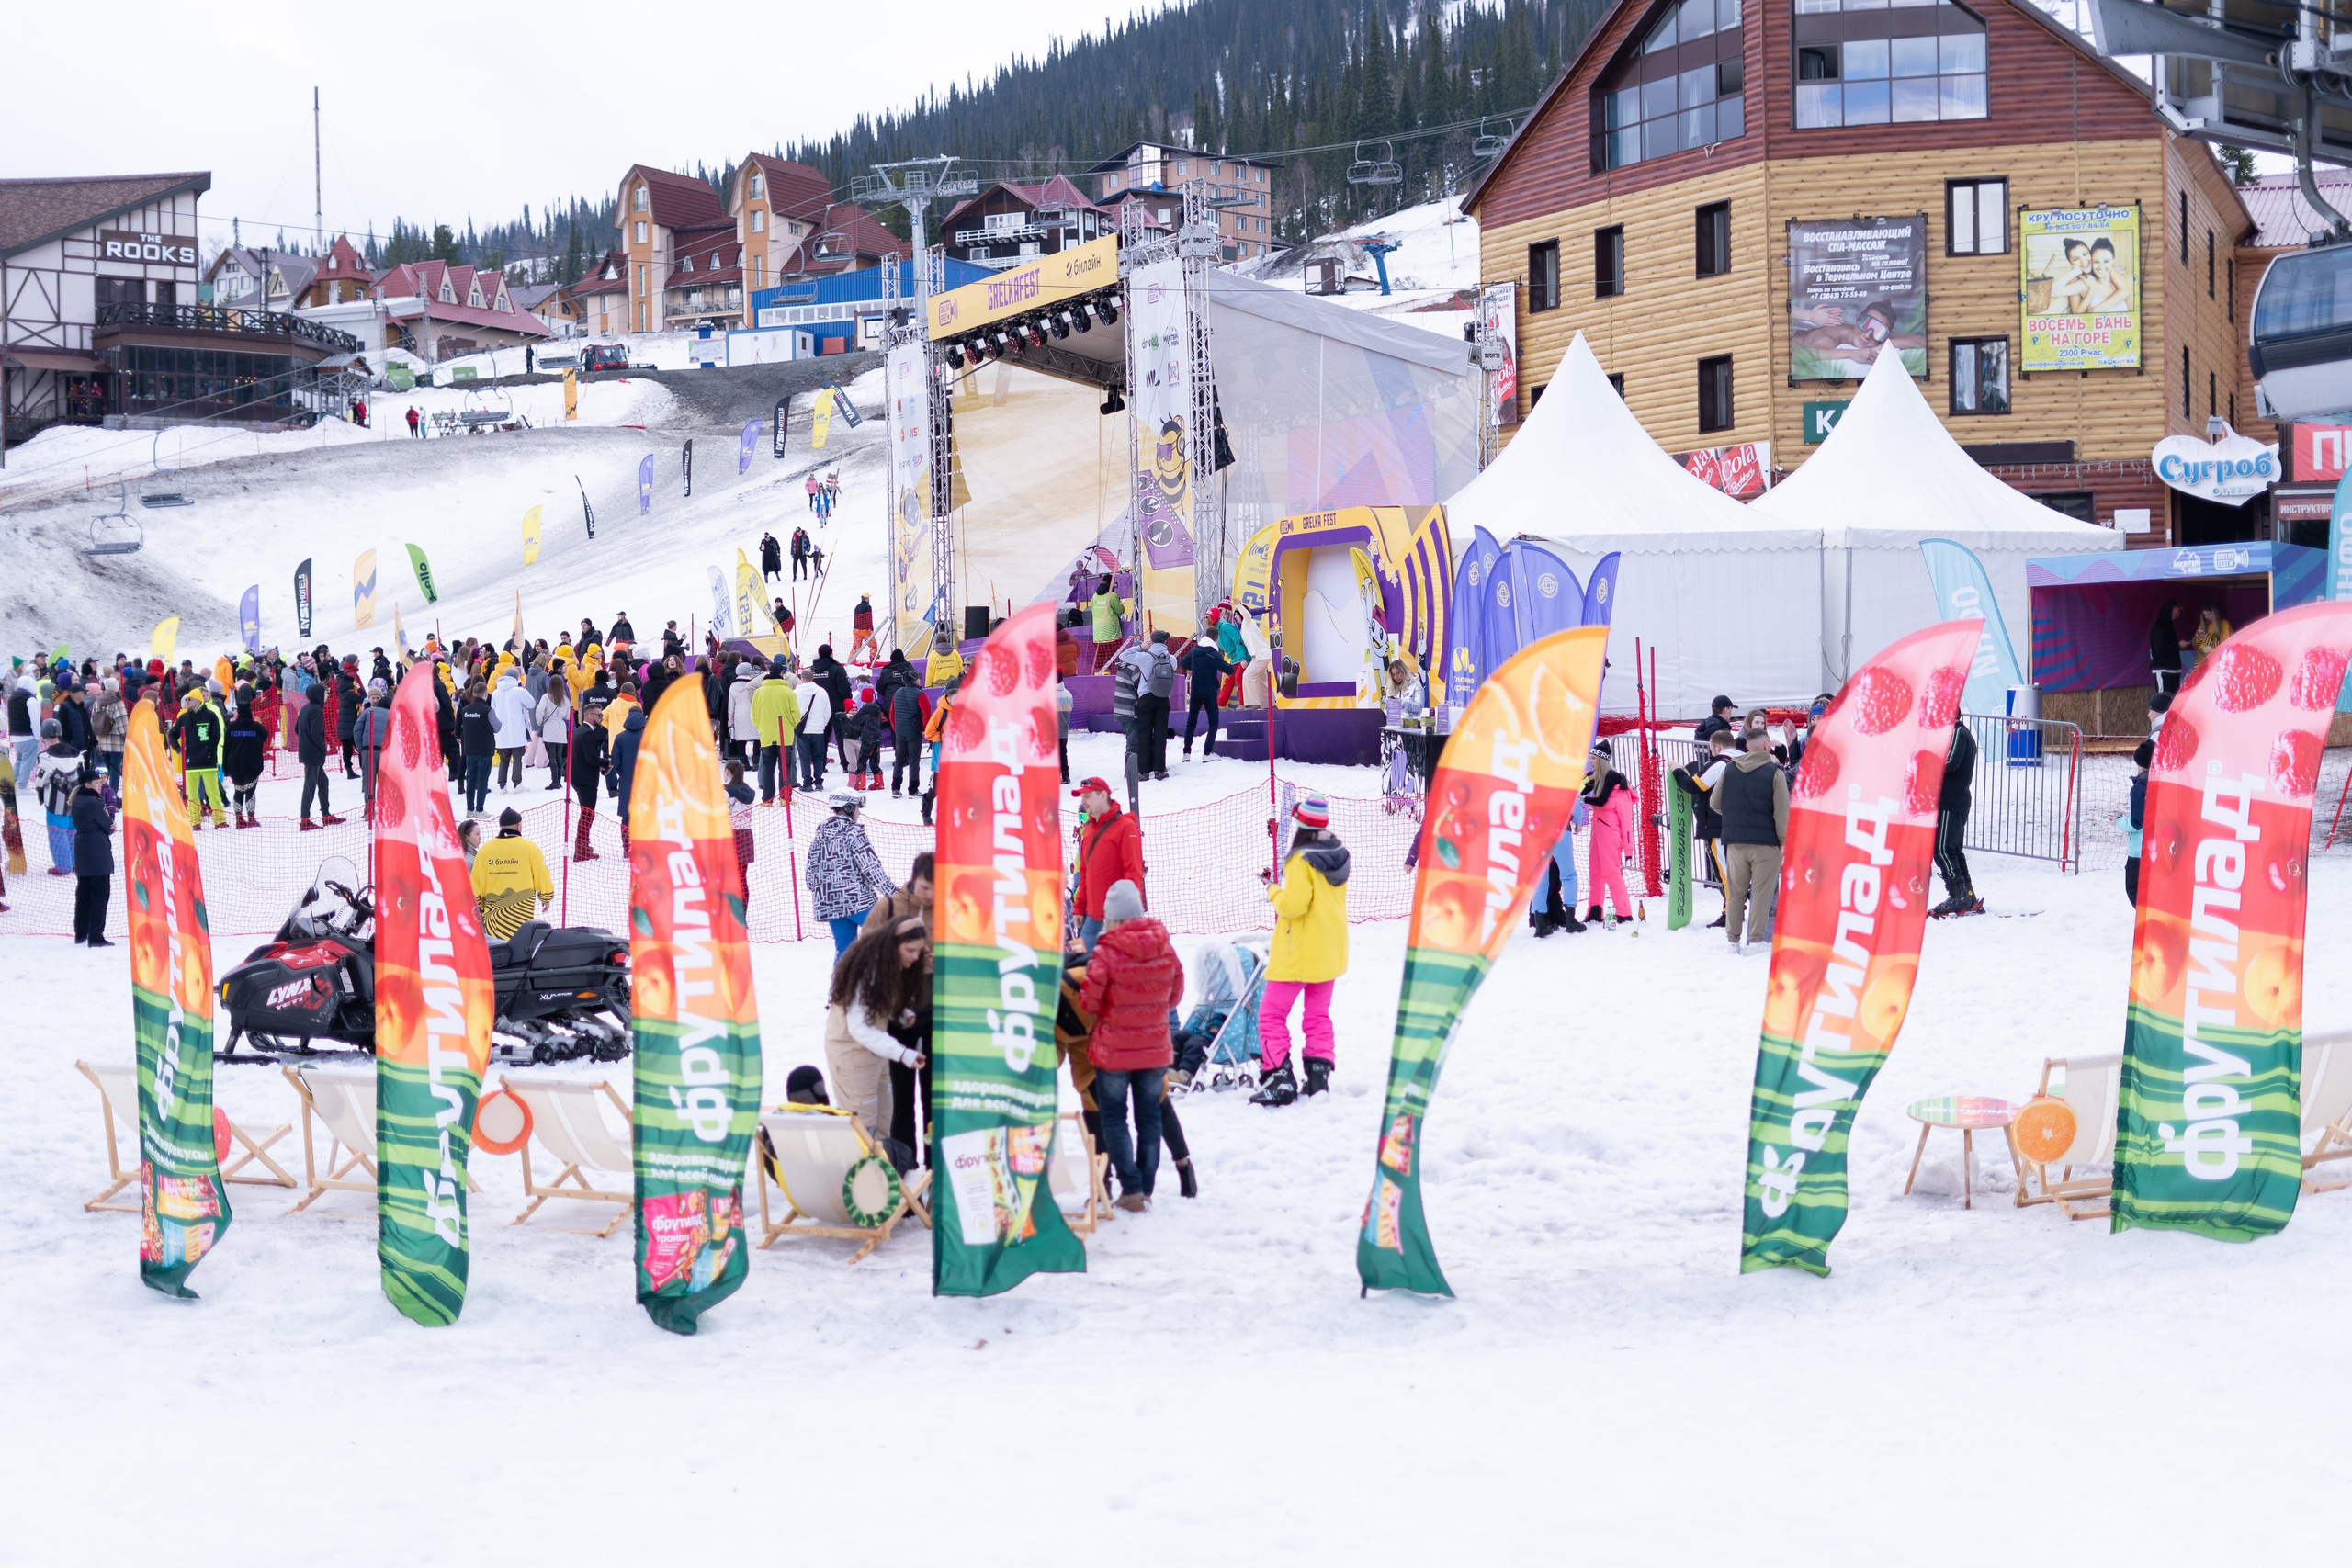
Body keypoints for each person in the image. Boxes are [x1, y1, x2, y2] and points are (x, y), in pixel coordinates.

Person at [1077, 878, 1185, 1210]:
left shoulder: (1105, 951)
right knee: (1150, 1119)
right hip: (1155, 1050)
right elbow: (1175, 995)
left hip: (1114, 1054)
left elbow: (1089, 1002)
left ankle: (1131, 1189)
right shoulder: (1164, 946)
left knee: (1114, 1119)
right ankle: (1145, 1189)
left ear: (1111, 917)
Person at [1251, 795, 1350, 1108]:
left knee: (1271, 1014)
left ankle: (1278, 1077)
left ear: (1301, 825)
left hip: (1299, 953)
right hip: (1329, 950)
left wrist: (1272, 890)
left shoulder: (1301, 859)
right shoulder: (1338, 853)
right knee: (1318, 1016)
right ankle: (1318, 1079)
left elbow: (1293, 906)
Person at [822, 916, 929, 1166]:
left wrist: (900, 1012)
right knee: (863, 1129)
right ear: (894, 943)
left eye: (919, 950)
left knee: (883, 1124)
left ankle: (883, 1180)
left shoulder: (888, 965)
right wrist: (903, 1053)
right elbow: (860, 1027)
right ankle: (862, 1184)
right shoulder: (866, 970)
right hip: (851, 1054)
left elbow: (878, 1000)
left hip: (876, 1053)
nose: (915, 957)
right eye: (910, 950)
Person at [1709, 728, 1789, 953]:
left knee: (1736, 893)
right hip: (1766, 844)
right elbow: (1782, 812)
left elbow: (1714, 803)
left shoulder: (1729, 769)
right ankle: (1755, 941)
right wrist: (1784, 841)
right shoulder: (1775, 773)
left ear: (1746, 747)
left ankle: (1732, 941)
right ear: (1766, 746)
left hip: (1735, 843)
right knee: (1761, 894)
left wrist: (1736, 818)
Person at [807, 791, 894, 954]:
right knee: (888, 938)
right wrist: (895, 893)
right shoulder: (853, 832)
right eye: (857, 808)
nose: (859, 812)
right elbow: (871, 869)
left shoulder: (820, 835)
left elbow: (810, 877)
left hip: (830, 904)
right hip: (856, 901)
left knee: (846, 951)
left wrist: (828, 889)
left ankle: (845, 973)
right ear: (848, 807)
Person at [1069, 776, 1145, 953]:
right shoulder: (1089, 830)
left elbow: (1133, 874)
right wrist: (1079, 908)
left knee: (1116, 967)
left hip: (1117, 920)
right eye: (1082, 797)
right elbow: (1084, 874)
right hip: (1092, 918)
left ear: (1103, 795)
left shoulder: (1126, 827)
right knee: (1077, 962)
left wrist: (1127, 917)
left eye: (1087, 796)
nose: (1083, 802)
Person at [470, 807, 553, 940]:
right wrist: (546, 897)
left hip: (492, 920)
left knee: (497, 949)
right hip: (522, 918)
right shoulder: (529, 847)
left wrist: (479, 906)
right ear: (518, 826)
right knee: (520, 946)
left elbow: (475, 882)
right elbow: (541, 874)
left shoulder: (485, 850)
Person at [1931, 718, 1982, 917]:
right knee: (1953, 850)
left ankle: (1958, 895)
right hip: (1954, 800)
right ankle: (1967, 894)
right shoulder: (1958, 733)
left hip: (1951, 801)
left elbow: (1951, 762)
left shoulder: (1958, 732)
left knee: (1942, 849)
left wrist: (1926, 765)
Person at [1529, 797, 1589, 937]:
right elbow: (1573, 803)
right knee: (1568, 876)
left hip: (1538, 831)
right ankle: (1570, 920)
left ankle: (1540, 925)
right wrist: (1579, 819)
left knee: (1540, 878)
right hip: (1559, 828)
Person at [170, 691, 228, 830]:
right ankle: (195, 822)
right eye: (186, 699)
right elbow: (172, 734)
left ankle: (219, 821)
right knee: (192, 795)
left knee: (213, 793)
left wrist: (209, 750)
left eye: (189, 699)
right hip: (191, 762)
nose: (187, 702)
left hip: (208, 761)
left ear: (197, 700)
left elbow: (216, 735)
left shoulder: (210, 715)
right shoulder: (184, 717)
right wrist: (178, 749)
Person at [71, 771, 115, 945]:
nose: (100, 785)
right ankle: (96, 935)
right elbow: (109, 826)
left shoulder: (78, 800)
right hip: (97, 850)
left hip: (83, 849)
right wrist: (111, 825)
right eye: (96, 783)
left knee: (84, 893)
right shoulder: (94, 802)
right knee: (100, 894)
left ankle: (81, 933)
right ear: (87, 785)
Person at [35, 720, 83, 874]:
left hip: (56, 803)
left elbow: (40, 780)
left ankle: (63, 867)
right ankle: (75, 863)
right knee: (73, 832)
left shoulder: (46, 757)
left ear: (44, 735)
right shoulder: (76, 753)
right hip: (75, 801)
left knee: (58, 834)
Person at [295, 680, 341, 829]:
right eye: (325, 693)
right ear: (319, 694)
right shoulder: (316, 709)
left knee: (323, 782)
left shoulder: (305, 708)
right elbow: (316, 732)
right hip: (313, 753)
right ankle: (304, 819)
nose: (327, 696)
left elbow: (297, 729)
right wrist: (322, 747)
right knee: (310, 786)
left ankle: (326, 815)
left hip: (308, 751)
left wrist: (306, 740)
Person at [752, 663, 799, 802]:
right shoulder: (788, 692)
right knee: (785, 768)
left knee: (767, 768)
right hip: (785, 735)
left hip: (766, 735)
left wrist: (761, 727)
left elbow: (753, 715)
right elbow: (795, 714)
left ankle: (768, 798)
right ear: (782, 673)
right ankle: (785, 798)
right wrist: (792, 725)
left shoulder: (759, 692)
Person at [1132, 630, 1176, 776]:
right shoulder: (1171, 658)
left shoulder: (1144, 657)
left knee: (1144, 732)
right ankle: (1159, 769)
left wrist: (1141, 647)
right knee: (1160, 733)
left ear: (1152, 641)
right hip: (1163, 699)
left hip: (1146, 697)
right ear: (1165, 641)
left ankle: (1144, 771)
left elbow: (1123, 656)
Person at [1178, 634, 1229, 761]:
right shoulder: (1215, 654)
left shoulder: (1195, 650)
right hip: (1210, 692)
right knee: (1213, 723)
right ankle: (1207, 753)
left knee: (1191, 722)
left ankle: (1186, 753)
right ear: (1216, 639)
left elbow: (1183, 663)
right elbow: (1229, 670)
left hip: (1196, 691)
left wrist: (1194, 666)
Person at [568, 701, 607, 861]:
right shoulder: (588, 733)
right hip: (585, 780)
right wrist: (606, 763)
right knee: (588, 814)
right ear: (590, 716)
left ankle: (583, 846)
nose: (601, 718)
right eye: (599, 715)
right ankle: (581, 848)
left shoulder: (579, 730)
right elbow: (591, 758)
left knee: (587, 814)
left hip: (579, 777)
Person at [223, 693, 266, 829]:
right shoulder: (256, 726)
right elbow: (265, 736)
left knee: (238, 791)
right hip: (252, 764)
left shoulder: (231, 727)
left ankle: (239, 820)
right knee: (250, 792)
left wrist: (225, 766)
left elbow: (226, 746)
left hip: (234, 764)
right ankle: (251, 818)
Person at [2120, 737, 2154, 907]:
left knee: (2133, 889)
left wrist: (2118, 821)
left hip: (2138, 851)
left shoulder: (2139, 788)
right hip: (2156, 847)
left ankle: (2147, 919)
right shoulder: (2161, 783)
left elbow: (2136, 823)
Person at [609, 702, 648, 851]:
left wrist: (623, 773)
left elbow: (615, 760)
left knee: (627, 816)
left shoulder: (620, 737)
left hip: (627, 781)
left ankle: (627, 847)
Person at [356, 680, 394, 821]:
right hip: (385, 751)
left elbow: (357, 729)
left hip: (369, 750)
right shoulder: (391, 714)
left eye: (378, 698)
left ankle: (369, 810)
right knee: (385, 781)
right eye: (374, 698)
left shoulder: (367, 712)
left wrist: (360, 747)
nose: (376, 700)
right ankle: (385, 809)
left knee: (369, 781)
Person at [458, 679, 497, 814]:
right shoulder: (488, 710)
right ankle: (480, 809)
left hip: (470, 748)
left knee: (471, 780)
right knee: (482, 780)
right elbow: (497, 727)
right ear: (485, 694)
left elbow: (461, 725)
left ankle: (470, 809)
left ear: (473, 694)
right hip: (485, 748)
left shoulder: (465, 710)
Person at [490, 668, 531, 793]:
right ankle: (517, 784)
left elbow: (493, 711)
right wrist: (524, 689)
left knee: (504, 760)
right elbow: (531, 703)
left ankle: (502, 786)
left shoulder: (496, 692)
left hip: (501, 732)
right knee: (517, 759)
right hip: (517, 730)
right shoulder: (518, 691)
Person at [794, 668, 832, 789]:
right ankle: (819, 781)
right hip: (818, 729)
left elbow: (792, 711)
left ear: (802, 678)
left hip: (802, 730)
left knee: (805, 758)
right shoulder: (822, 692)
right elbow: (828, 711)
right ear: (813, 678)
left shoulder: (796, 693)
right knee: (818, 757)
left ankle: (807, 782)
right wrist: (822, 724)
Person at [536, 677, 572, 790]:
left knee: (552, 757)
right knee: (559, 756)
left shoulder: (546, 697)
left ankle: (554, 781)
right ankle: (559, 780)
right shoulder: (565, 699)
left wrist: (540, 722)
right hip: (561, 727)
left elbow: (539, 710)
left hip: (549, 726)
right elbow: (567, 716)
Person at [89, 678, 127, 782]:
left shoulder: (97, 702)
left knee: (102, 771)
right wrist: (127, 740)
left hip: (101, 742)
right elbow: (122, 725)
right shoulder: (118, 703)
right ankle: (112, 790)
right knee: (115, 770)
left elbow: (92, 721)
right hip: (116, 743)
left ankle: (101, 789)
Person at [2148, 600, 2185, 694]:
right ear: (2169, 611)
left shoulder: (2169, 625)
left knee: (2173, 700)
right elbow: (2159, 650)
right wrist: (2178, 646)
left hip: (2174, 669)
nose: (2177, 616)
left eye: (2178, 614)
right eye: (2175, 613)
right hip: (2163, 669)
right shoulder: (2159, 627)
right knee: (2163, 698)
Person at [1089, 574, 1126, 656]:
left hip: (1098, 636)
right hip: (1112, 635)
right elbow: (1120, 610)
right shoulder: (1112, 595)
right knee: (1113, 659)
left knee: (1100, 661)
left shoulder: (1094, 596)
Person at [849, 594, 878, 666]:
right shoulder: (868, 607)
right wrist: (871, 629)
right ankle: (873, 661)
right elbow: (868, 619)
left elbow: (855, 619)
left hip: (856, 630)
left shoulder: (857, 607)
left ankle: (850, 662)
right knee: (873, 646)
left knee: (855, 647)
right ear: (867, 598)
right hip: (865, 631)